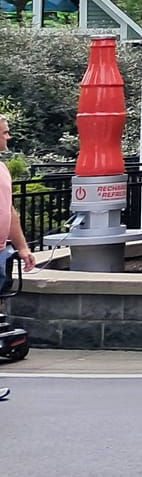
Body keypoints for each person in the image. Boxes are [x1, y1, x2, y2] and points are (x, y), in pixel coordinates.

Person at [0, 114, 31, 404]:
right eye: (4, 132)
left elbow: (9, 211)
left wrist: (21, 247)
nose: (8, 137)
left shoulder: (2, 168)